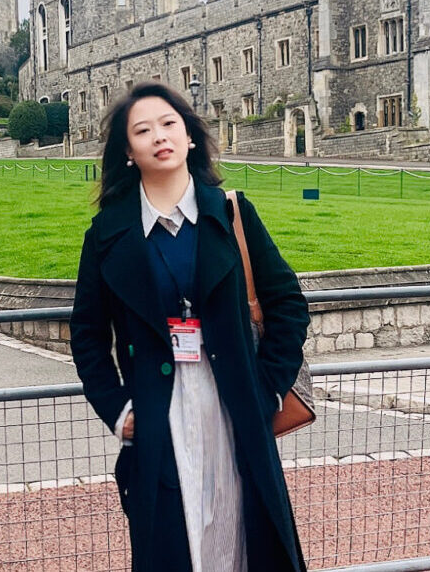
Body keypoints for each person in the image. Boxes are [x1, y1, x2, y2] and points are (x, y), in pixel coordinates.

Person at [69, 82, 310, 571]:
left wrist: (266, 388)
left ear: (190, 137)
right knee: (175, 551)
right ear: (129, 151)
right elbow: (88, 334)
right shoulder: (107, 234)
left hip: (236, 410)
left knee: (248, 542)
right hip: (161, 420)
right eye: (143, 129)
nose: (159, 135)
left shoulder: (231, 213)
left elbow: (288, 306)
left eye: (169, 123)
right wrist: (116, 409)